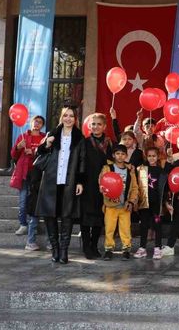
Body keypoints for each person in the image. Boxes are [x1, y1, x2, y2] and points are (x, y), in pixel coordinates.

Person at [35, 106, 86, 264]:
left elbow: (82, 160)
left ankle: (64, 251)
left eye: (71, 116)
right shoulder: (53, 133)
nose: (68, 119)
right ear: (61, 118)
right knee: (50, 215)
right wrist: (47, 144)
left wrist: (80, 181)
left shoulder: (79, 137)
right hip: (51, 179)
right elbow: (39, 152)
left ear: (75, 119)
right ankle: (55, 249)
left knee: (67, 216)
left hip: (69, 181)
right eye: (65, 115)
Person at [80, 113, 113, 260]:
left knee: (100, 217)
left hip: (104, 185)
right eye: (93, 124)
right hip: (88, 184)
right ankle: (86, 247)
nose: (96, 127)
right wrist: (80, 181)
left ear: (104, 126)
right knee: (86, 217)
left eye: (99, 124)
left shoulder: (109, 143)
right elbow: (80, 163)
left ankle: (94, 245)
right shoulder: (85, 142)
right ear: (89, 126)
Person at [10, 115, 46, 251]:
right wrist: (18, 147)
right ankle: (23, 224)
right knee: (23, 201)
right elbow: (14, 155)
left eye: (40, 122)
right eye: (35, 121)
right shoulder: (22, 136)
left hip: (37, 175)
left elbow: (46, 154)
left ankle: (32, 225)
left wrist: (34, 152)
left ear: (42, 125)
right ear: (31, 123)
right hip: (24, 173)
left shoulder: (43, 138)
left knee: (33, 203)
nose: (37, 124)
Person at [100, 144, 138, 261]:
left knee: (125, 229)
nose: (120, 156)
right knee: (109, 228)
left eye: (123, 154)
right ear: (113, 155)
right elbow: (102, 182)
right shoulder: (108, 168)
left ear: (126, 156)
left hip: (124, 206)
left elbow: (135, 188)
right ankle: (108, 249)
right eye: (118, 154)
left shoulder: (129, 170)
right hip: (110, 205)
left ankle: (126, 249)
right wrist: (106, 192)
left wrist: (131, 202)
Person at [134, 147, 168, 259]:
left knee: (157, 224)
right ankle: (142, 247)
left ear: (158, 157)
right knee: (143, 225)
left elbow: (164, 188)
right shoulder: (141, 169)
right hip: (144, 203)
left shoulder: (161, 171)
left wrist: (165, 202)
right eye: (149, 156)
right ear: (146, 157)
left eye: (154, 156)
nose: (151, 158)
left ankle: (158, 247)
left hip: (156, 204)